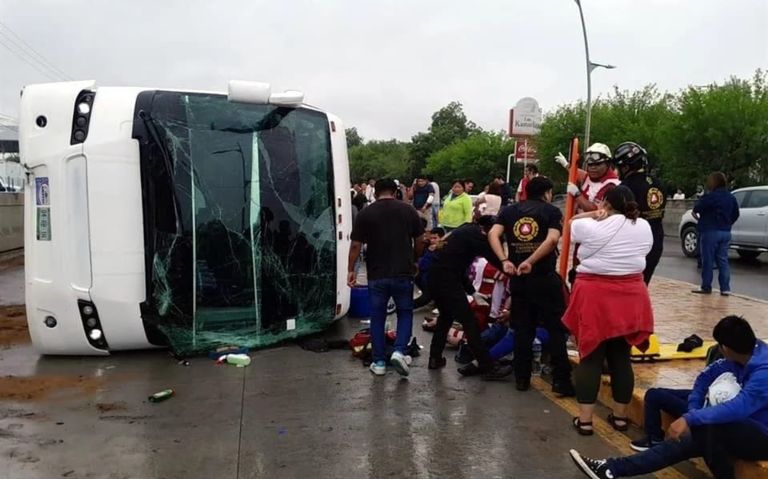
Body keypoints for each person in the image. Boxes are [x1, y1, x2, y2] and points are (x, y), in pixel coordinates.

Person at [570, 315, 768, 479]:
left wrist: (690, 418)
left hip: (762, 436)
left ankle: (612, 469)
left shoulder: (763, 372)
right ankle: (612, 469)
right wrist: (693, 410)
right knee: (699, 431)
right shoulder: (738, 357)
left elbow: (738, 407)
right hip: (738, 426)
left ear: (725, 348)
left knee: (706, 429)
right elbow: (703, 378)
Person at [561, 185, 654, 436]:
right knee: (621, 356)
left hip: (596, 296)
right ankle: (621, 418)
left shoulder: (592, 226)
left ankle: (586, 420)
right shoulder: (644, 227)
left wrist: (593, 214)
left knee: (590, 355)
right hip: (632, 295)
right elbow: (644, 251)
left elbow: (570, 222)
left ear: (606, 205)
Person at [488, 176, 574, 394]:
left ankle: (522, 379)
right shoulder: (551, 212)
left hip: (518, 278)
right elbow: (552, 240)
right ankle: (561, 381)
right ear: (546, 192)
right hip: (544, 277)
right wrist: (532, 261)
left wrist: (505, 260)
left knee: (522, 329)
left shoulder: (509, 212)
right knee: (556, 330)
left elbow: (493, 234)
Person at [347, 178, 425, 377]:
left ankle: (379, 361)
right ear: (396, 191)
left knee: (377, 317)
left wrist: (351, 270)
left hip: (377, 274)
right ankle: (399, 350)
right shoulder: (409, 211)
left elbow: (356, 245)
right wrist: (416, 260)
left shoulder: (366, 213)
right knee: (405, 312)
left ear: (376, 192)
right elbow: (419, 240)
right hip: (403, 272)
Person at [427, 216, 505, 375]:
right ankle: (487, 366)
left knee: (445, 318)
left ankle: (435, 358)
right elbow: (495, 258)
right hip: (446, 280)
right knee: (470, 321)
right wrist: (511, 268)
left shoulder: (464, 230)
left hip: (436, 277)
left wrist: (472, 292)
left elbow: (458, 266)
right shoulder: (477, 235)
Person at [612, 142, 666, 284]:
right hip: (656, 240)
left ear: (626, 167)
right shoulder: (657, 183)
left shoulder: (626, 187)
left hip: (633, 242)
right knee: (642, 285)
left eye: (619, 167)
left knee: (627, 288)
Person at [691, 172, 740, 296]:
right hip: (725, 231)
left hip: (710, 230)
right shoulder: (731, 197)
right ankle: (725, 288)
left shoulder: (710, 197)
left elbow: (697, 209)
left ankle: (706, 286)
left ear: (713, 182)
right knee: (723, 260)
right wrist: (727, 223)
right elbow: (736, 214)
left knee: (708, 260)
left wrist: (700, 220)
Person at [414, 227, 445, 309]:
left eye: (435, 238)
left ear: (441, 238)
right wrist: (429, 252)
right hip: (428, 279)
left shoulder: (445, 250)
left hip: (438, 282)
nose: (432, 240)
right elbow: (422, 265)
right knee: (416, 275)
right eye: (431, 238)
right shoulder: (429, 248)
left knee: (421, 301)